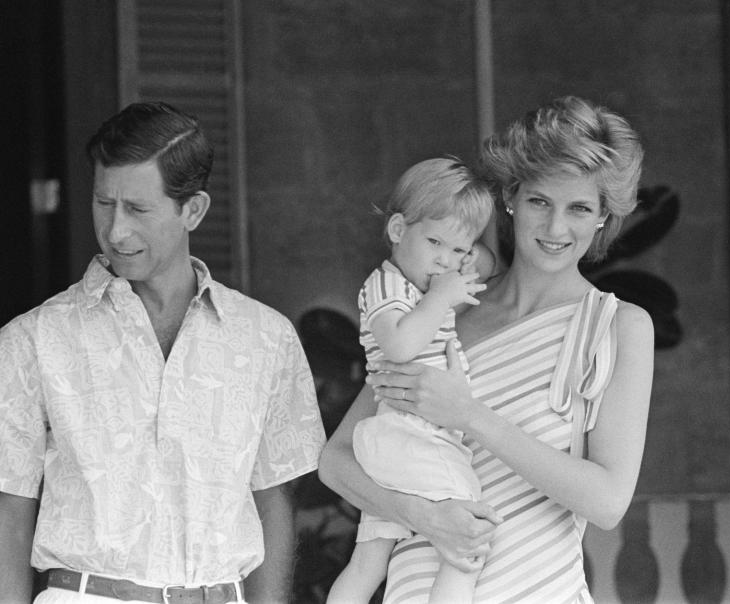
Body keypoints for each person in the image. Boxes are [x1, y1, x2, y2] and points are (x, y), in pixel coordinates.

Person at [318, 95, 654, 603]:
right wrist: (423, 516)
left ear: (604, 217)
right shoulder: (444, 307)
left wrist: (467, 414)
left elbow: (607, 502)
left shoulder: (618, 327)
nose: (556, 228)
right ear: (512, 197)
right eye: (540, 201)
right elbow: (336, 460)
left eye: (580, 208)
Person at [0, 101, 326, 603]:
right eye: (103, 203)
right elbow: (10, 510)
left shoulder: (266, 338)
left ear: (192, 209)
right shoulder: (35, 339)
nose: (115, 231)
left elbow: (274, 500)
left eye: (138, 209)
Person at [327, 158, 495, 604]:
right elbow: (399, 346)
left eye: (459, 250)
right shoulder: (387, 287)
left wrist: (446, 287)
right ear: (399, 230)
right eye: (434, 241)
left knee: (368, 562)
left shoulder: (418, 292)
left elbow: (484, 265)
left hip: (400, 439)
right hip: (411, 435)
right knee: (469, 541)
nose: (446, 260)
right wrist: (441, 296)